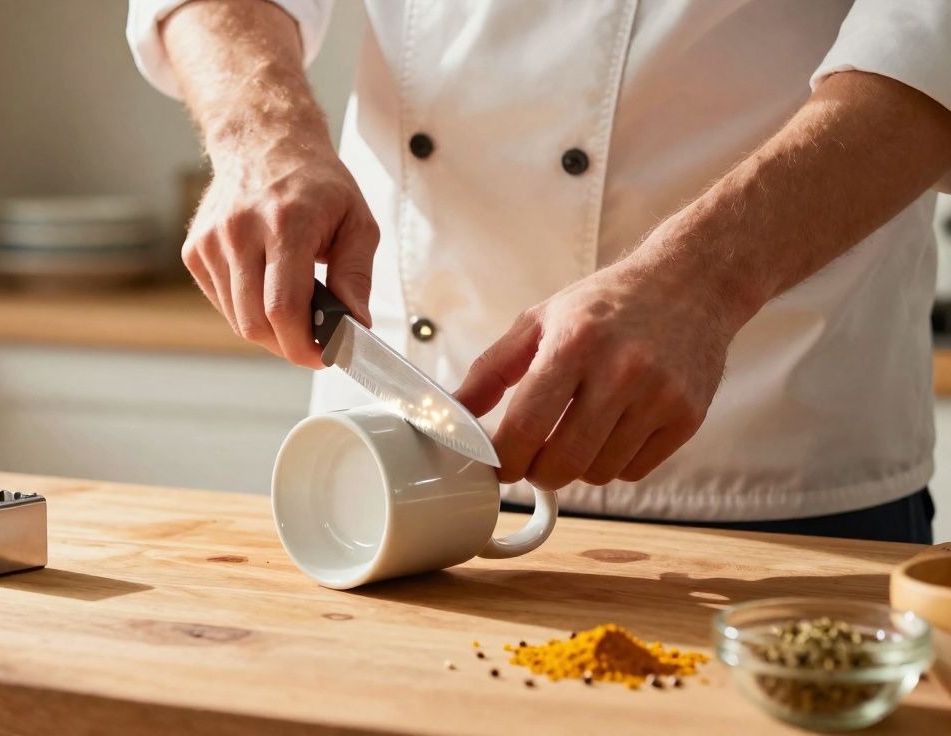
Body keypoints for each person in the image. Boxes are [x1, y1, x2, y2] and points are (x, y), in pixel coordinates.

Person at [127, 1, 951, 544]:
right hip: (391, 465)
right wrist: (258, 132)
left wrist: (703, 281)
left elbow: (929, 34)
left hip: (772, 460)